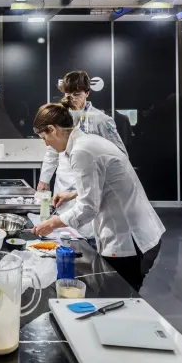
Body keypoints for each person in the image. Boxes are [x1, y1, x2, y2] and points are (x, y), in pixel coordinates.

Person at [32, 100, 166, 292]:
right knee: (121, 296)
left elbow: (88, 208)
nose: (46, 143)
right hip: (140, 233)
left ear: (53, 130)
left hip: (129, 240)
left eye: (43, 137)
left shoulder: (81, 151)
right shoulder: (87, 141)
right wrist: (73, 194)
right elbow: (108, 183)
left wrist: (52, 223)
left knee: (119, 298)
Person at [37, 71, 127, 238]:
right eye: (67, 94)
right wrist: (44, 179)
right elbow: (51, 150)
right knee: (63, 235)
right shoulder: (60, 118)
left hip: (90, 185)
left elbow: (119, 156)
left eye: (76, 94)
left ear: (87, 93)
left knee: (87, 235)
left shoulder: (101, 120)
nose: (71, 99)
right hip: (63, 185)